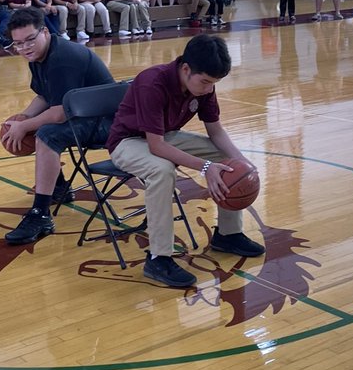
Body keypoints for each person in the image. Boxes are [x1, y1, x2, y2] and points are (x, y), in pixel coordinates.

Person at [107, 35, 264, 288]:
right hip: (127, 142)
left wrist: (242, 161)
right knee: (161, 170)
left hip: (165, 135)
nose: (209, 89)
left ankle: (228, 234)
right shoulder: (152, 82)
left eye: (214, 83)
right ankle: (158, 258)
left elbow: (216, 131)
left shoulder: (204, 84)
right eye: (205, 82)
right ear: (186, 69)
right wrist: (204, 167)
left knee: (226, 160)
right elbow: (156, 146)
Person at [2, 8, 115, 246]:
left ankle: (41, 215)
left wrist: (25, 127)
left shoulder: (62, 60)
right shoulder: (38, 55)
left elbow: (60, 113)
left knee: (46, 134)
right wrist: (22, 118)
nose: (24, 48)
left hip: (108, 122)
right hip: (86, 116)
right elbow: (45, 97)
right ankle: (60, 187)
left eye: (30, 40)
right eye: (18, 44)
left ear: (44, 31)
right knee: (34, 126)